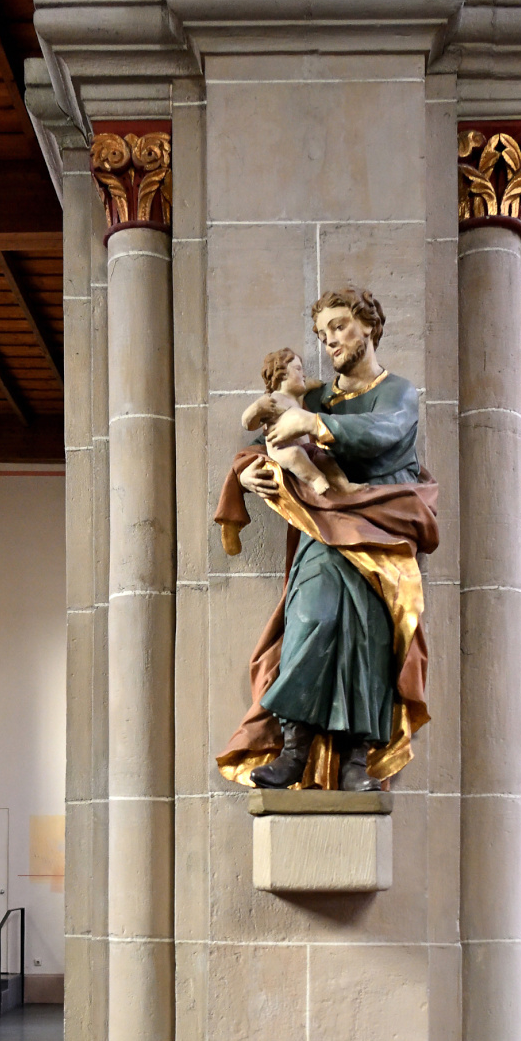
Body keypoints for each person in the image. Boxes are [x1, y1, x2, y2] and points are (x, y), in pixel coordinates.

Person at [214, 287, 438, 793]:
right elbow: (268, 438)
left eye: (339, 326)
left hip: (378, 531)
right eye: (322, 333)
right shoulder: (317, 397)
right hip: (322, 529)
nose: (329, 340)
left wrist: (315, 424)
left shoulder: (397, 391)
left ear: (369, 327)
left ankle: (357, 758)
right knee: (311, 619)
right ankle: (294, 751)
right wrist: (247, 473)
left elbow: (385, 433)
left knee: (368, 637)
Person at [240, 349, 354, 499]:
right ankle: (316, 479)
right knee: (295, 455)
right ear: (282, 374)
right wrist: (257, 408)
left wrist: (315, 384)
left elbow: (309, 384)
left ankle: (344, 486)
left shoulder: (298, 399)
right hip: (284, 450)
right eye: (298, 369)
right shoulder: (272, 400)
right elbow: (248, 423)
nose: (304, 375)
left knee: (326, 461)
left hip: (308, 448)